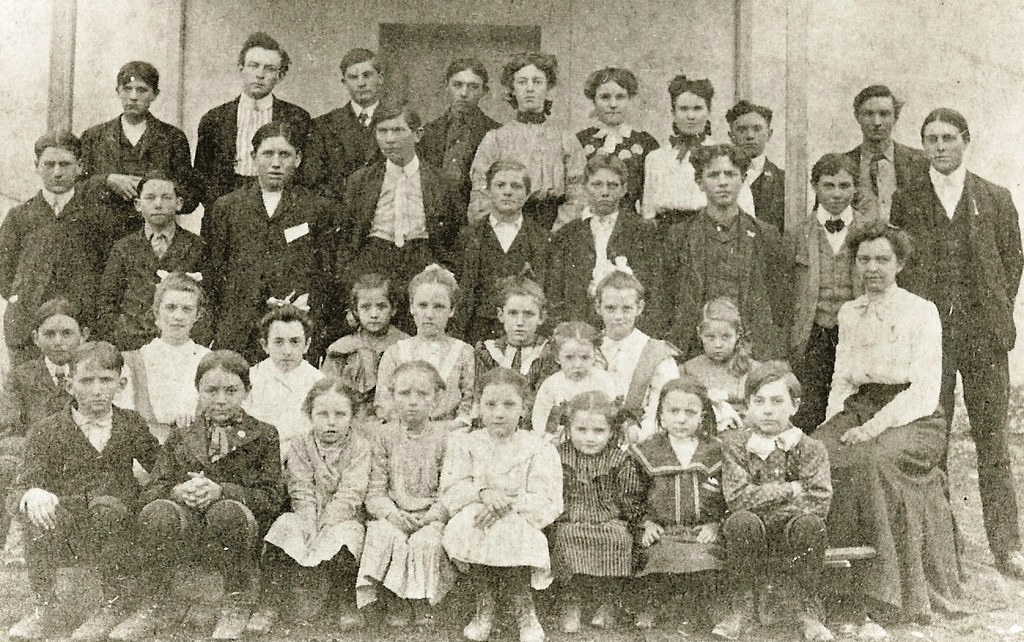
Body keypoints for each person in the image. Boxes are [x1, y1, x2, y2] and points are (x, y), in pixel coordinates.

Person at [891, 108, 1024, 577]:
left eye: (949, 138)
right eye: (931, 139)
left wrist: (990, 311)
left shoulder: (994, 197)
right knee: (935, 439)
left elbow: (1012, 262)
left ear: (966, 141)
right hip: (932, 340)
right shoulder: (906, 199)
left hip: (984, 338)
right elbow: (900, 264)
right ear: (923, 145)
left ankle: (1006, 546)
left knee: (993, 444)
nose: (940, 146)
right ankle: (944, 548)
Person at [813, 221, 963, 627]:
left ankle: (882, 591)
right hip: (861, 408)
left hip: (915, 416)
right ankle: (824, 589)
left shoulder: (921, 311)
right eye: (864, 259)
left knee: (871, 462)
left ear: (899, 264)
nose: (872, 268)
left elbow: (925, 389)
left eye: (882, 259)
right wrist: (829, 431)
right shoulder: (849, 312)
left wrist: (871, 429)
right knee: (816, 455)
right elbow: (842, 379)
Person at [7, 342, 159, 641]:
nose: (97, 390)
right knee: (36, 511)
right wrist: (33, 493)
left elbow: (162, 469)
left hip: (118, 523)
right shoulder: (48, 430)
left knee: (108, 507)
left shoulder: (130, 424)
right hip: (70, 526)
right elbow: (19, 487)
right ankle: (46, 605)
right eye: (86, 381)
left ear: (121, 383)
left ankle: (113, 605)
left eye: (106, 380)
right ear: (68, 384)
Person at [133, 351, 283, 634]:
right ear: (198, 391)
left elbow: (272, 496)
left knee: (227, 510)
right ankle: (157, 601)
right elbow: (152, 488)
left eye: (231, 390)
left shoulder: (263, 435)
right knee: (158, 511)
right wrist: (177, 491)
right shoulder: (183, 434)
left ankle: (236, 602)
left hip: (236, 532)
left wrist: (221, 490)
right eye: (211, 390)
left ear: (247, 391)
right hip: (188, 530)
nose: (221, 399)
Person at [441, 368, 563, 642]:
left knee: (509, 530)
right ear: (478, 407)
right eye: (491, 404)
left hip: (521, 516)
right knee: (473, 526)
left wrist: (505, 502)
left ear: (524, 408)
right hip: (476, 512)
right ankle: (484, 605)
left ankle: (525, 608)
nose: (499, 413)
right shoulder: (465, 444)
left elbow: (547, 500)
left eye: (509, 405)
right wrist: (483, 492)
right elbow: (450, 490)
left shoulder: (538, 448)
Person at [204, 121, 341, 361]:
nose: (276, 163)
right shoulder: (227, 207)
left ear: (298, 159)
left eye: (285, 155)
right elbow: (215, 272)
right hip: (238, 328)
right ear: (253, 156)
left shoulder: (317, 209)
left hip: (292, 327)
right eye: (268, 154)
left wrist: (308, 306)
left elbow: (326, 272)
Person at [717, 362, 833, 642]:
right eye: (759, 401)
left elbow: (819, 500)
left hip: (792, 531)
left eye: (777, 401)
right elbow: (737, 498)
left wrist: (765, 498)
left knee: (810, 525)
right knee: (741, 521)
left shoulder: (810, 448)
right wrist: (790, 489)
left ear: (794, 406)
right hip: (750, 531)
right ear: (747, 406)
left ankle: (807, 610)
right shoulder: (735, 446)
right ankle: (741, 607)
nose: (768, 410)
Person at [338, 101, 461, 328]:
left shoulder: (441, 182)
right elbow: (347, 237)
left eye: (398, 130)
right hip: (375, 259)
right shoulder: (360, 181)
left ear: (417, 134)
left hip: (421, 258)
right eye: (382, 131)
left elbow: (453, 234)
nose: (390, 139)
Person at [663, 143, 791, 360]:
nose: (722, 182)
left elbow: (779, 304)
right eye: (713, 175)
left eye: (730, 174)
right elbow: (663, 299)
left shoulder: (765, 235)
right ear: (699, 182)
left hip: (752, 353)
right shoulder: (680, 235)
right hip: (693, 351)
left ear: (743, 179)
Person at [262, 378, 370, 629]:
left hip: (343, 516)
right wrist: (309, 521)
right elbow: (300, 488)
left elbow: (351, 492)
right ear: (310, 415)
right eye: (322, 414)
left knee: (347, 537)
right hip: (307, 513)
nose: (331, 422)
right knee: (284, 526)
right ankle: (269, 602)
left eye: (340, 414)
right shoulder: (301, 445)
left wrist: (327, 522)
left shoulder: (360, 447)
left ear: (353, 416)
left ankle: (345, 602)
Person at [357, 361, 455, 624]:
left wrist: (434, 515)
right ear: (391, 397)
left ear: (436, 399)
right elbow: (375, 490)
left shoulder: (446, 437)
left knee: (427, 542)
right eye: (404, 393)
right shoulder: (382, 436)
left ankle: (422, 600)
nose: (413, 402)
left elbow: (451, 488)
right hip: (394, 512)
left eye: (422, 394)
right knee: (383, 534)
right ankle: (393, 598)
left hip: (431, 515)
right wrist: (391, 513)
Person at [79, 61, 199, 259]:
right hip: (102, 241)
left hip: (155, 240)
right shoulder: (94, 137)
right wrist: (107, 180)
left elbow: (190, 197)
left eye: (142, 90)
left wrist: (156, 192)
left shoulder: (172, 138)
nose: (133, 97)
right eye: (127, 89)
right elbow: (76, 191)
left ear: (155, 94)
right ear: (117, 91)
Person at [629, 378, 724, 629]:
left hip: (700, 531)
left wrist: (715, 524)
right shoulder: (646, 451)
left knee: (704, 560)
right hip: (664, 531)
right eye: (674, 411)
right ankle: (654, 606)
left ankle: (694, 611)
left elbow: (728, 495)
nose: (681, 419)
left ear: (702, 416)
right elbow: (632, 494)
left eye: (690, 412)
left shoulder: (715, 451)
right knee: (659, 558)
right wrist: (646, 523)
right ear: (661, 414)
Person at [0, 132, 98, 363]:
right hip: (28, 331)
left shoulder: (96, 216)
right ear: (37, 166)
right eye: (49, 164)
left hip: (82, 329)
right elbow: (3, 274)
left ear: (80, 166)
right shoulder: (19, 217)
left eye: (65, 164)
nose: (57, 172)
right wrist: (26, 298)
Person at [789, 153, 869, 431]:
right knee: (808, 411)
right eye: (829, 185)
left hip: (856, 335)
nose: (837, 194)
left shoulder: (870, 230)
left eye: (844, 186)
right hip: (812, 336)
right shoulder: (797, 233)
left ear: (856, 188)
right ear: (815, 186)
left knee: (850, 411)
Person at [553, 391, 644, 633]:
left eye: (598, 431)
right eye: (581, 430)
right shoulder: (559, 455)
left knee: (619, 537)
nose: (589, 438)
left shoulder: (619, 458)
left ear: (612, 432)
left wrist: (632, 522)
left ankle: (608, 600)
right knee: (564, 537)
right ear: (569, 429)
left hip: (608, 516)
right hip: (570, 516)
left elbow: (629, 495)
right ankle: (571, 600)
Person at [469, 52, 586, 231]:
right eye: (522, 82)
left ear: (548, 88)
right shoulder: (495, 139)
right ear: (512, 89)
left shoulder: (565, 138)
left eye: (537, 82)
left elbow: (578, 191)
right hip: (507, 227)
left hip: (554, 227)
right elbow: (480, 192)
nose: (529, 88)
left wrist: (559, 230)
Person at [0, 299, 84, 548]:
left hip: (81, 456)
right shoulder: (21, 377)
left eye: (67, 333)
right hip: (30, 456)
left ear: (83, 335)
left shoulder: (91, 373)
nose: (58, 341)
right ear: (36, 338)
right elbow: (8, 430)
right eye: (50, 334)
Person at [194, 32, 311, 209]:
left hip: (280, 207)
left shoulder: (297, 118)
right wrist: (219, 206)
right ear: (241, 68)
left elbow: (304, 173)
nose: (260, 74)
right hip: (226, 208)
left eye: (270, 68)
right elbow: (202, 176)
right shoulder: (214, 119)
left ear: (280, 76)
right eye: (253, 66)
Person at [548, 154, 661, 332]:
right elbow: (555, 293)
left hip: (629, 328)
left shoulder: (642, 231)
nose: (605, 192)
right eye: (597, 184)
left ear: (624, 189)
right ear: (585, 187)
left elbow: (655, 289)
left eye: (613, 185)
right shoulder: (566, 235)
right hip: (579, 328)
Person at [97, 171, 206, 351]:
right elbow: (106, 303)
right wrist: (122, 338)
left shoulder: (197, 247)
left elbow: (207, 303)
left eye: (166, 197)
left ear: (179, 203)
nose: (158, 204)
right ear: (138, 205)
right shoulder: (123, 248)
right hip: (131, 347)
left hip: (181, 345)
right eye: (150, 198)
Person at [453, 160, 549, 343]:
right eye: (500, 185)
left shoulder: (542, 239)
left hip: (525, 334)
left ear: (527, 194)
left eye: (516, 186)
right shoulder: (469, 236)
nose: (507, 191)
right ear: (488, 191)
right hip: (477, 333)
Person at [375, 265, 475, 428]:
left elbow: (469, 403)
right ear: (411, 307)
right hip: (403, 436)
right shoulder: (395, 353)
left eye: (439, 306)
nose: (429, 314)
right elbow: (384, 402)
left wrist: (448, 429)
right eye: (422, 305)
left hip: (449, 435)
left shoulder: (464, 353)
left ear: (452, 310)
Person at [116, 272, 211, 444]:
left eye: (187, 309)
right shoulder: (135, 360)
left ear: (197, 315)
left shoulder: (208, 360)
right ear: (157, 312)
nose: (178, 316)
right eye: (170, 307)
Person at [594, 269, 679, 443]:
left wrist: (638, 437)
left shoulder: (656, 352)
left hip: (639, 441)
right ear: (598, 307)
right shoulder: (587, 348)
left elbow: (661, 409)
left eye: (626, 309)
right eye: (610, 308)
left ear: (639, 308)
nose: (618, 316)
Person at [321, 273, 409, 423]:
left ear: (393, 309)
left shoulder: (404, 345)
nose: (374, 314)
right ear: (355, 310)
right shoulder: (342, 350)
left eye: (381, 306)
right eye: (366, 307)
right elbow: (327, 392)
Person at [418, 57, 501, 215]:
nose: (464, 93)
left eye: (473, 87)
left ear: (485, 91)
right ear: (446, 87)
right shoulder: (427, 132)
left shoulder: (497, 134)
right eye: (457, 85)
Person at [301, 48, 384, 200]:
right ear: (344, 83)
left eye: (367, 75)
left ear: (380, 78)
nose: (361, 83)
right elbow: (314, 181)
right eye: (353, 77)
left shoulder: (397, 122)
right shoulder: (322, 126)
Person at [575, 67, 659, 211]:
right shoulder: (580, 140)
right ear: (594, 100)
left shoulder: (646, 142)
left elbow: (652, 196)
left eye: (620, 97)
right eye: (605, 97)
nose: (613, 105)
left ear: (629, 99)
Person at [245, 304, 324, 458]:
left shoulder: (318, 382)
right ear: (265, 345)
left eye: (295, 342)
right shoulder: (251, 378)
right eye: (278, 342)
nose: (287, 351)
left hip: (305, 459)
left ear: (307, 345)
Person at [843, 85, 928, 221]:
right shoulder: (842, 164)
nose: (877, 122)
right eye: (869, 114)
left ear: (896, 117)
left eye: (884, 114)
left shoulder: (921, 162)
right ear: (857, 117)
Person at [641, 75, 714, 227]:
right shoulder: (656, 158)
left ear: (709, 111)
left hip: (709, 233)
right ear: (673, 113)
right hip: (666, 235)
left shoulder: (722, 155)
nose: (690, 116)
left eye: (697, 108)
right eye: (683, 109)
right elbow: (648, 212)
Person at [682, 297, 759, 431]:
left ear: (737, 334)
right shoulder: (689, 369)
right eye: (710, 337)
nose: (718, 344)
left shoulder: (754, 370)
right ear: (700, 334)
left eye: (726, 337)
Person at [532, 322, 616, 440]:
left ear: (595, 354)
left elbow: (613, 416)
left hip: (596, 441)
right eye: (569, 357)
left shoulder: (603, 380)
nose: (577, 364)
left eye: (585, 357)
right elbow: (539, 420)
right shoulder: (552, 384)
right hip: (560, 442)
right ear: (557, 357)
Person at [473, 274, 553, 396]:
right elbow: (481, 394)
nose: (520, 322)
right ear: (501, 315)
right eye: (513, 313)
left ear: (541, 317)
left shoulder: (547, 352)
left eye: (529, 314)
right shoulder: (487, 352)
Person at [726, 100, 785, 233]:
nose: (750, 136)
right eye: (742, 130)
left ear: (769, 134)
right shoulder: (720, 177)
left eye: (757, 129)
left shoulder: (784, 181)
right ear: (731, 136)